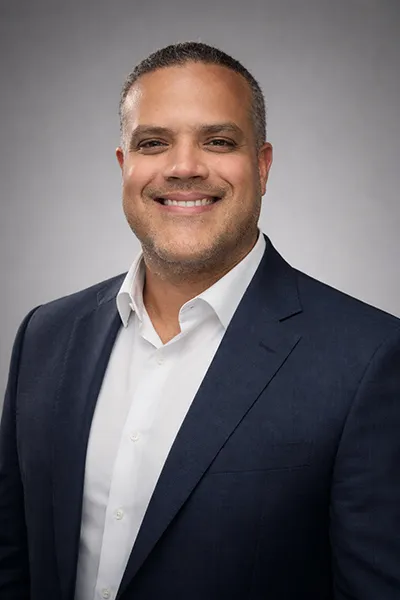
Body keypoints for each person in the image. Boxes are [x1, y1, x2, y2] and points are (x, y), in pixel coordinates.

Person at [0, 41, 399, 600]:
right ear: (124, 165)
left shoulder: (369, 360)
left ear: (262, 165)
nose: (184, 167)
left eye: (218, 141)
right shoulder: (44, 336)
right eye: (153, 143)